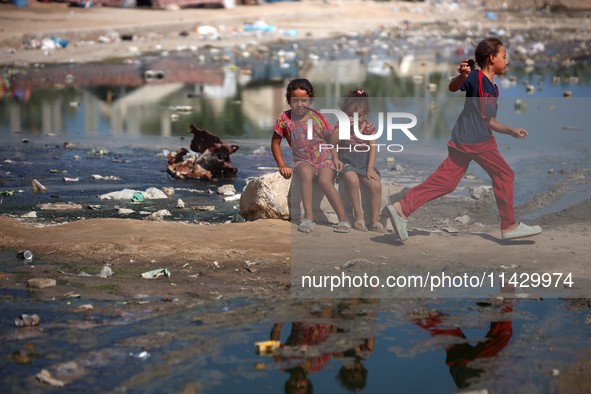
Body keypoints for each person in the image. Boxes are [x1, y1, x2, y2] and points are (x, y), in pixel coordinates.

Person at [387, 37, 542, 242]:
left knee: (446, 183)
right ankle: (509, 225)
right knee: (505, 175)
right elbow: (453, 87)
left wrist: (510, 130)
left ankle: (402, 208)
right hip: (476, 141)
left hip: (464, 139)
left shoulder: (493, 88)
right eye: (504, 57)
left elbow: (491, 120)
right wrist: (461, 75)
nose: (506, 62)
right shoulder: (475, 78)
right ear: (491, 58)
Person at [272, 78, 351, 233]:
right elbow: (275, 143)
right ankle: (308, 218)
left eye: (304, 100)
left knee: (324, 181)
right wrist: (282, 165)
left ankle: (343, 218)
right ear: (288, 100)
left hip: (324, 158)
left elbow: (330, 140)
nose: (300, 104)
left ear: (311, 100)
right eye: (295, 100)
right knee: (306, 174)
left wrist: (335, 158)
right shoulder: (284, 119)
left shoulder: (318, 117)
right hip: (303, 160)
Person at [332, 89, 387, 233]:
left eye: (358, 116)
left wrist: (370, 169)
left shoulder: (369, 128)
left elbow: (373, 149)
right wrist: (336, 158)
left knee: (375, 185)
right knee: (352, 180)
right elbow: (332, 142)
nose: (354, 119)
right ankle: (359, 216)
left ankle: (375, 220)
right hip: (346, 160)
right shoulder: (341, 125)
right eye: (350, 115)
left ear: (365, 114)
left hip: (364, 162)